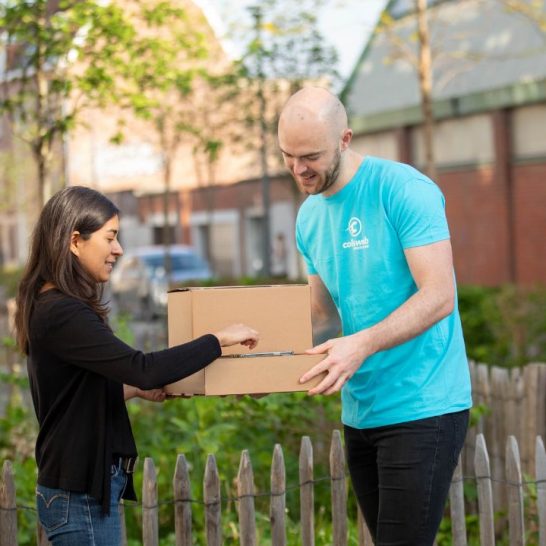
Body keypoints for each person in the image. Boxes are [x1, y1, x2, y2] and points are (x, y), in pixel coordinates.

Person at [278, 87, 472, 546]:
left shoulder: (403, 190)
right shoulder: (308, 217)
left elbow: (440, 295)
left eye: (311, 156)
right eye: (287, 156)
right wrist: (265, 363)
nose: (298, 169)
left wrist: (361, 344)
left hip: (424, 403)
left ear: (344, 139)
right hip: (361, 411)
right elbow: (323, 316)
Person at [14, 186, 259, 546]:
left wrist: (133, 390)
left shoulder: (53, 305)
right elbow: (142, 366)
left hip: (77, 491)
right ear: (75, 241)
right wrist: (217, 340)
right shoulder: (63, 312)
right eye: (110, 237)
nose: (119, 249)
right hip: (79, 496)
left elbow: (72, 394)